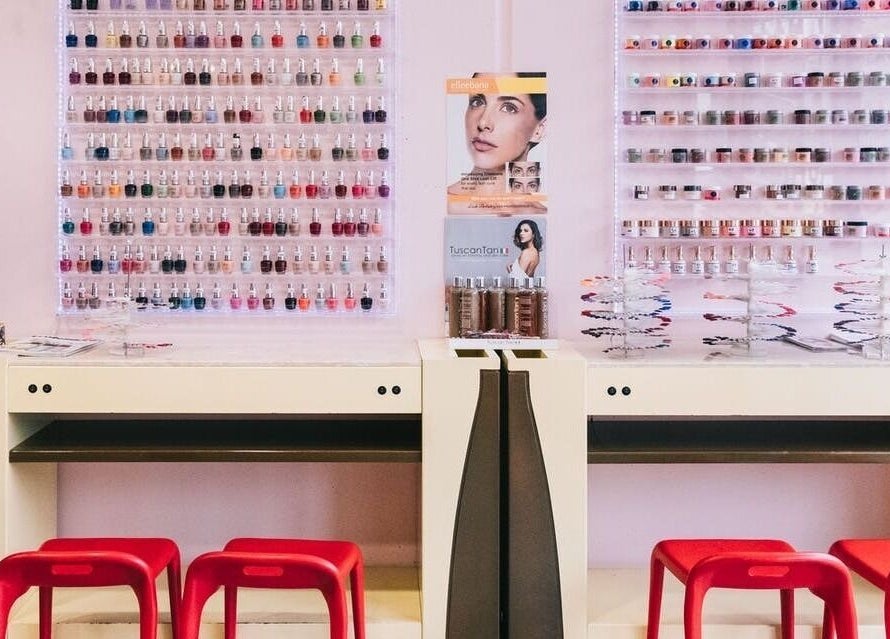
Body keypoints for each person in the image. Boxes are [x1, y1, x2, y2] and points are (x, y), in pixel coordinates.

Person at [448, 72, 547, 213]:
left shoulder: (546, 217)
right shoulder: (439, 206)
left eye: (508, 108)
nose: (483, 122)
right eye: (477, 102)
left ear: (539, 130)